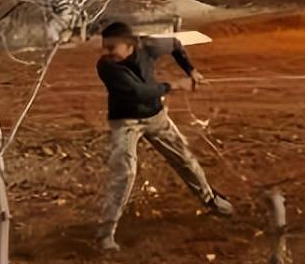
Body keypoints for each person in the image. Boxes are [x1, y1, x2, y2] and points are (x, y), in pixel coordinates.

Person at [94, 21, 233, 251]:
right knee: (125, 173)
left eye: (111, 48)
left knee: (185, 159)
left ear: (131, 46)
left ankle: (210, 200)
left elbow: (176, 44)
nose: (105, 53)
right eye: (104, 47)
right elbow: (139, 92)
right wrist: (176, 85)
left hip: (156, 117)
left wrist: (191, 70)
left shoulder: (148, 46)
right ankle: (105, 234)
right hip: (125, 122)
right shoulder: (106, 67)